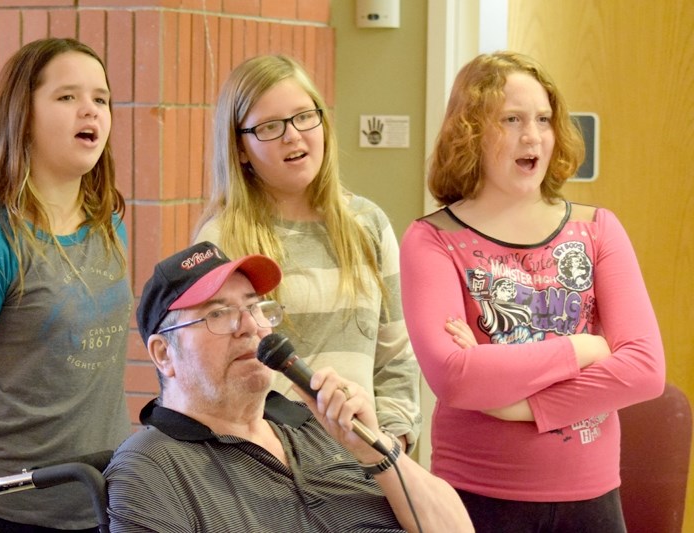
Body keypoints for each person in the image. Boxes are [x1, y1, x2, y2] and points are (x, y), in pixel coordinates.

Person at [399, 50, 665, 533]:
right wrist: (584, 349)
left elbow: (645, 369)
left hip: (593, 498)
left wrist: (517, 405)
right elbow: (456, 377)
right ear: (471, 132)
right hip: (476, 498)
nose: (533, 136)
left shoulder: (598, 229)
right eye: (512, 119)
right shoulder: (431, 238)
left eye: (543, 119)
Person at [104, 241, 473, 532]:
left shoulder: (316, 423)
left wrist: (377, 449)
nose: (250, 325)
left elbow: (456, 529)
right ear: (164, 354)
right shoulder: (151, 468)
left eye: (255, 307)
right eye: (218, 313)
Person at [0, 38, 132, 532]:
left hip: (105, 500)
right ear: (23, 116)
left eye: (101, 99)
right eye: (67, 97)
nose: (91, 110)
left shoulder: (109, 225)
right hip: (10, 513)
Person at [193, 54, 421, 452]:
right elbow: (214, 377)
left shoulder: (367, 224)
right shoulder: (221, 239)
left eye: (303, 116)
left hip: (364, 468)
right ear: (240, 149)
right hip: (269, 473)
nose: (293, 136)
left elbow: (397, 356)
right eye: (269, 127)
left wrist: (390, 443)